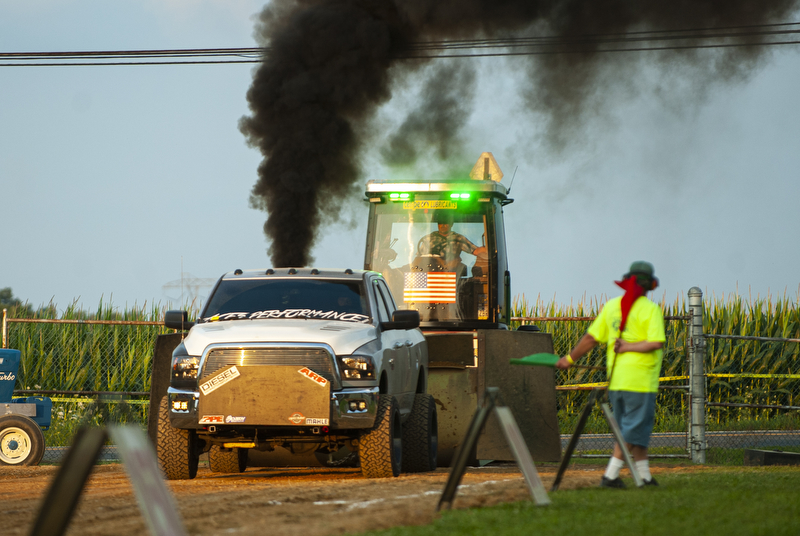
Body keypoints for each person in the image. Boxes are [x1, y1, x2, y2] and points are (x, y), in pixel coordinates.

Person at [555, 261, 665, 488]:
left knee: (635, 428)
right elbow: (655, 342)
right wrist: (628, 347)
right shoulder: (650, 310)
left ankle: (645, 477)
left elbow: (591, 338)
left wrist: (569, 359)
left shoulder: (611, 307)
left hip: (617, 381)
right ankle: (611, 476)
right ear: (650, 285)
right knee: (632, 429)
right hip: (641, 381)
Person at [417, 212, 486, 272]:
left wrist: (488, 249)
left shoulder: (458, 238)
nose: (443, 225)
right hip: (428, 270)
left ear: (451, 224)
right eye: (440, 223)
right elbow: (419, 257)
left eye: (446, 223)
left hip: (450, 271)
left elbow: (476, 251)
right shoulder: (429, 238)